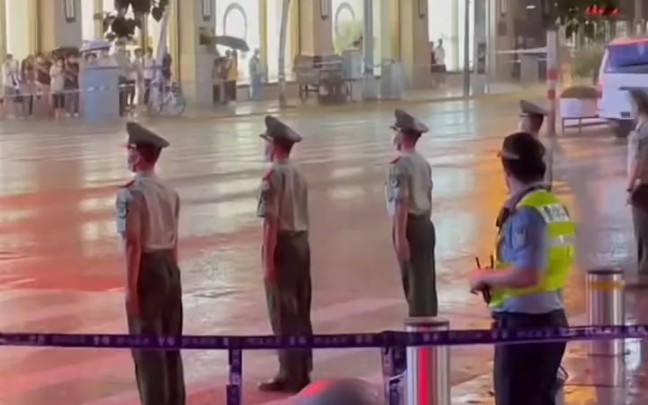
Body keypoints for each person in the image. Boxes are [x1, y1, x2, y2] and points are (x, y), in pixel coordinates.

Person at [469, 132, 576, 405]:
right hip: (551, 318)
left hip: (524, 328)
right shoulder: (553, 205)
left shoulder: (527, 213)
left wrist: (485, 276)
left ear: (507, 171)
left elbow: (528, 273)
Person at [116, 122, 185, 405]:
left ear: (139, 155)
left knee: (147, 349)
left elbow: (134, 242)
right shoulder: (170, 192)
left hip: (147, 269)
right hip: (170, 267)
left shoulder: (131, 193)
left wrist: (131, 289)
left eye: (130, 149)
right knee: (171, 345)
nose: (127, 155)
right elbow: (175, 241)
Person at [257, 115, 312, 392]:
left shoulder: (273, 177)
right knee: (301, 309)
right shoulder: (298, 174)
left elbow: (271, 222)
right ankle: (302, 367)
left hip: (283, 246)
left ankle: (288, 372)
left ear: (275, 145)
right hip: (302, 243)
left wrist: (268, 262)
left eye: (266, 141)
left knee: (283, 311)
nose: (264, 147)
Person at [385, 109, 437, 317]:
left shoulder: (399, 165)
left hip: (410, 226)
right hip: (425, 224)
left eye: (395, 131)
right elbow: (429, 197)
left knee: (414, 285)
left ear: (402, 135)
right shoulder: (423, 163)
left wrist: (400, 237)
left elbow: (401, 202)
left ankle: (420, 332)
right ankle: (430, 323)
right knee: (426, 283)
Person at [626, 89, 648, 284]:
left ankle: (644, 274)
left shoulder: (642, 132)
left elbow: (638, 162)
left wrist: (630, 187)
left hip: (643, 188)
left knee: (642, 232)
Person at [519, 100, 553, 189]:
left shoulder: (538, 150)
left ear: (531, 122)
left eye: (523, 118)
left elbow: (545, 184)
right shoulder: (524, 146)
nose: (520, 122)